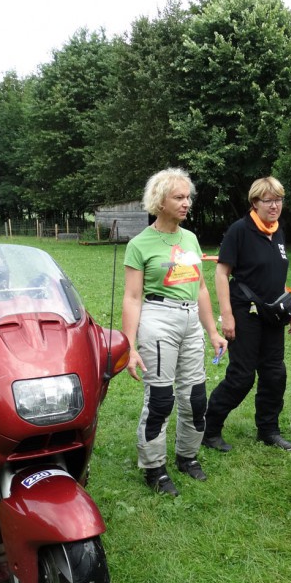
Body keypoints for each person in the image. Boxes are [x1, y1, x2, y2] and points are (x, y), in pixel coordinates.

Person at [122, 168, 227, 497]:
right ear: (159, 201)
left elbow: (201, 289)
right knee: (161, 399)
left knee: (196, 397)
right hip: (157, 320)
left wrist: (213, 331)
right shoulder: (140, 244)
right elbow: (132, 297)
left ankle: (187, 456)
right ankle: (154, 467)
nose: (186, 203)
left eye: (188, 197)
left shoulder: (191, 239)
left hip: (190, 321)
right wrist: (129, 347)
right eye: (178, 197)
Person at [203, 177, 291, 453]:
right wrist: (227, 315)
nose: (274, 206)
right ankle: (210, 430)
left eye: (278, 199)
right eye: (268, 200)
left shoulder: (278, 231)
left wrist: (289, 307)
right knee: (241, 377)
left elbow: (274, 273)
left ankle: (268, 430)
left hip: (273, 314)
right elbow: (222, 273)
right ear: (254, 203)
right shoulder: (240, 231)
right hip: (244, 313)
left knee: (274, 374)